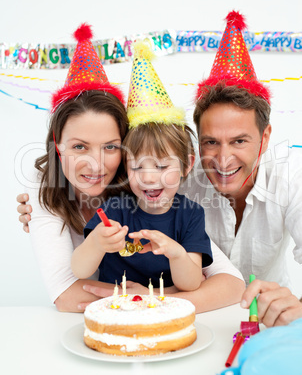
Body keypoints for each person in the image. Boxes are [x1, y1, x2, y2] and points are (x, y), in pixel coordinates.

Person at [17, 23, 245, 313]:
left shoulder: (154, 194)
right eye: (79, 146)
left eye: (110, 146)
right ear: (57, 147)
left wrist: (151, 298)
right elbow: (68, 294)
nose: (95, 163)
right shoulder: (52, 190)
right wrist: (155, 297)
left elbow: (229, 284)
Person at [178, 11, 302, 324]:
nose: (223, 159)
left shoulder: (290, 179)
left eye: (239, 141)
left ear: (264, 138)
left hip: (270, 322)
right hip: (199, 318)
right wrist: (40, 203)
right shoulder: (178, 182)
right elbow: (116, 187)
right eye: (210, 142)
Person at [71, 41, 213, 292]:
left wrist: (177, 254)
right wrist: (97, 243)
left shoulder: (191, 215)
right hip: (116, 312)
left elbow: (191, 284)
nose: (148, 178)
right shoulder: (114, 209)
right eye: (137, 168)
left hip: (166, 314)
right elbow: (80, 270)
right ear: (126, 168)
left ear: (187, 165)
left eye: (160, 166)